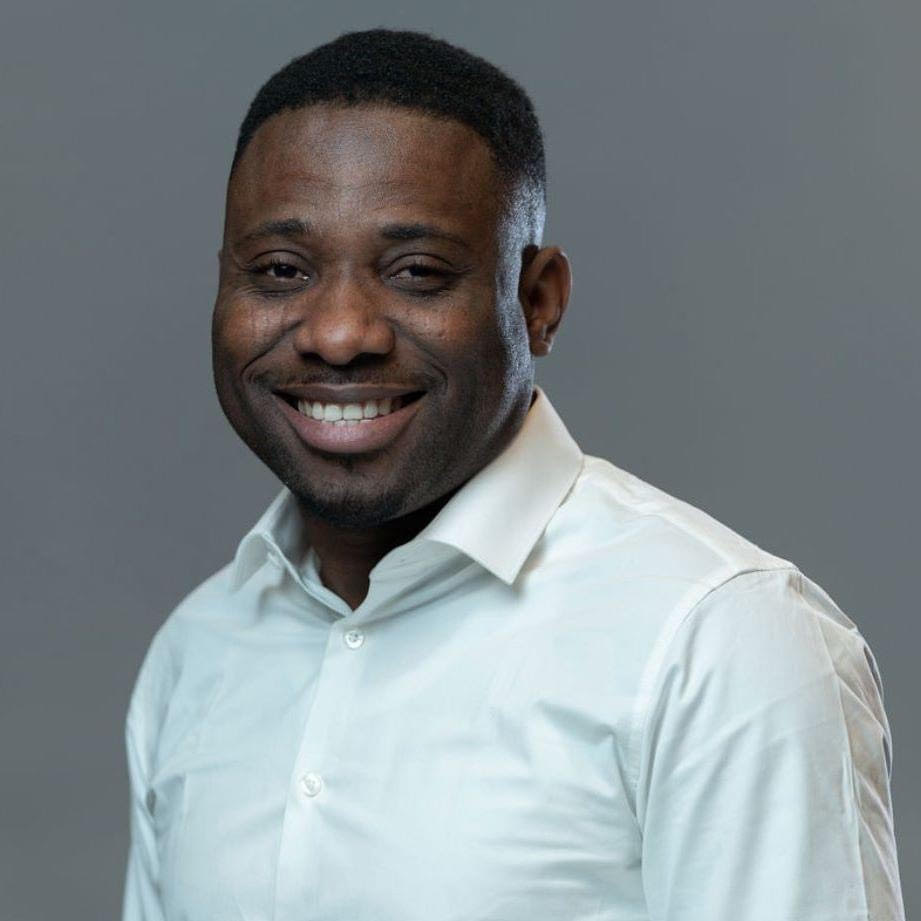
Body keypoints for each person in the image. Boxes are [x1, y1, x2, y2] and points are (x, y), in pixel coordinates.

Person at [122, 28, 904, 921]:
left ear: (538, 302)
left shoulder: (719, 644)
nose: (339, 333)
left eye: (415, 272)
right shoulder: (198, 651)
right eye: (280, 271)